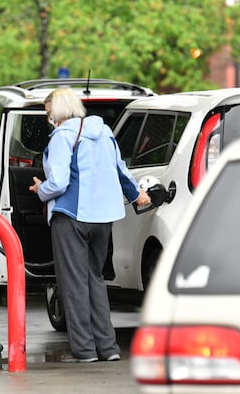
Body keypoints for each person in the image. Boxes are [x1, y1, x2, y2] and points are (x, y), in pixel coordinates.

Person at [28, 87, 151, 363]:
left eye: (49, 113)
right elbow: (121, 170)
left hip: (72, 217)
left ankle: (84, 351)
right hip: (103, 219)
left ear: (58, 111)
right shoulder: (104, 132)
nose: (48, 119)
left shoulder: (62, 137)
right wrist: (137, 196)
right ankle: (108, 348)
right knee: (95, 280)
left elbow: (58, 182)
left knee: (73, 284)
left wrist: (40, 190)